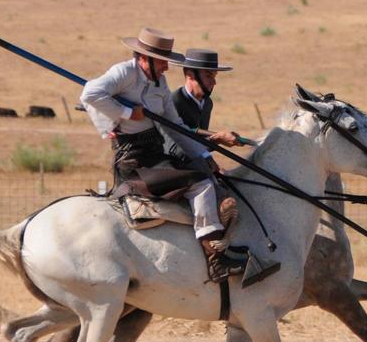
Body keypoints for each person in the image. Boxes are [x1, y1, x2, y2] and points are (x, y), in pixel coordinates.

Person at [80, 28, 249, 282]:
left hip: (153, 153)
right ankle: (215, 260)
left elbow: (176, 127)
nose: (166, 68)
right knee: (201, 184)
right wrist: (127, 114)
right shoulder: (123, 72)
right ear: (144, 58)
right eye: (162, 62)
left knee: (203, 173)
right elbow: (89, 94)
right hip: (133, 160)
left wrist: (204, 155)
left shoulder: (160, 83)